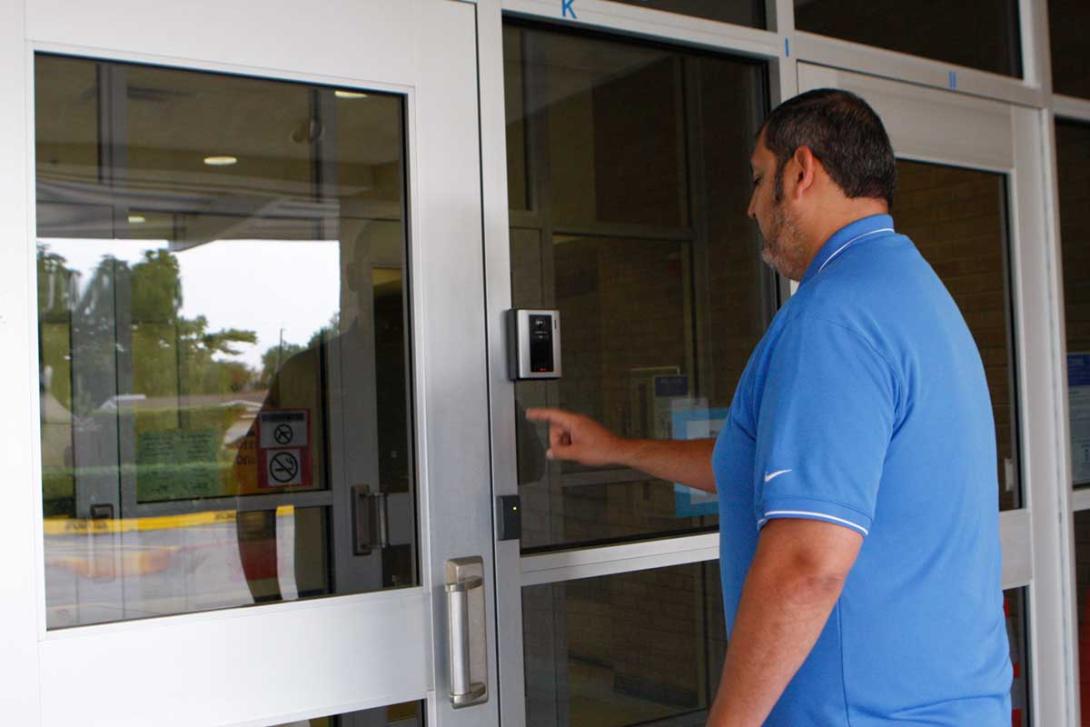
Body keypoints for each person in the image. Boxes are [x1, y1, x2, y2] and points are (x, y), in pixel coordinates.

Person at [528, 89, 1011, 726]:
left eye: (760, 179)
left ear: (802, 171)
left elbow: (808, 560)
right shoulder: (912, 292)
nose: (751, 205)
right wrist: (615, 448)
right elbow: (764, 465)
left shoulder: (835, 317)